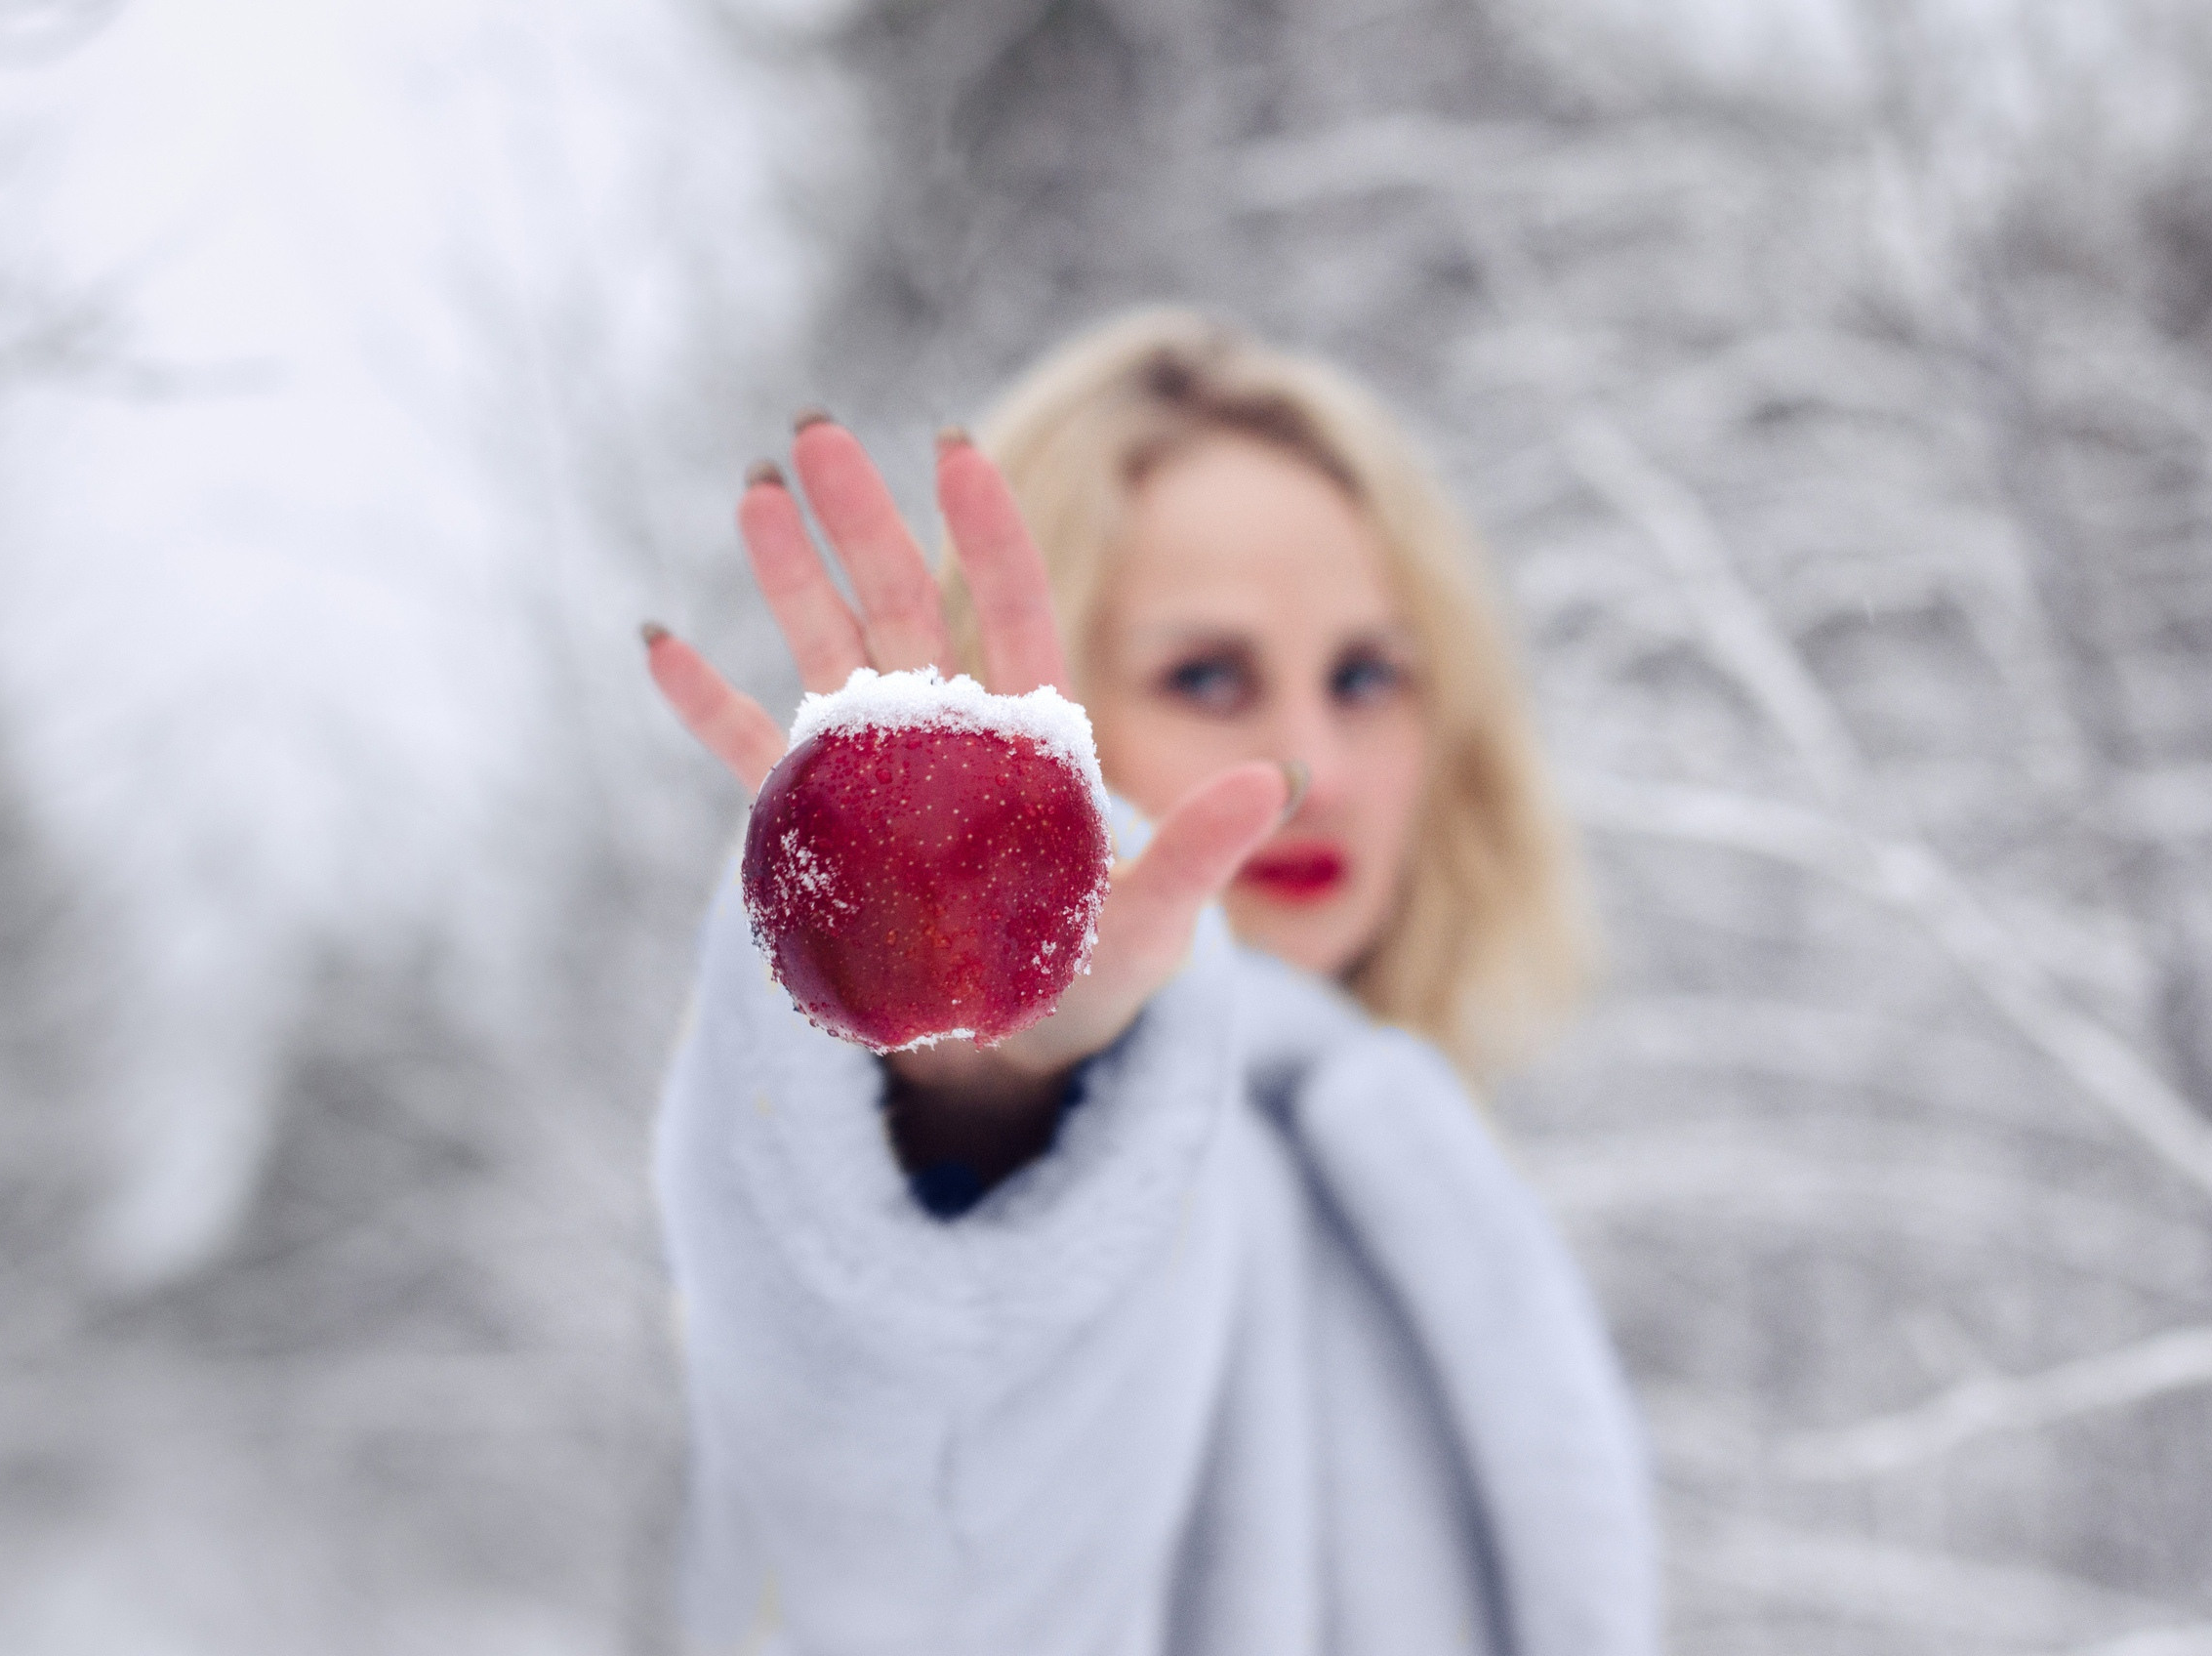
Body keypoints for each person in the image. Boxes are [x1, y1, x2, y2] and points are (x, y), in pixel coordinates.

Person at [641, 309, 1658, 1655]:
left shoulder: (1409, 1171)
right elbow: (908, 1549)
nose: (1314, 763)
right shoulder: (1099, 1190)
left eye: (1366, 675)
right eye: (1208, 676)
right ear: (1023, 710)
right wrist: (977, 1111)